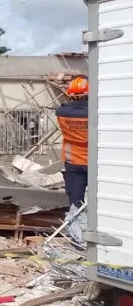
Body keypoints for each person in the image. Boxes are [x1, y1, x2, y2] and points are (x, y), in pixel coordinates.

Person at [56, 76, 89, 208]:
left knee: (75, 204)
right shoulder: (96, 112)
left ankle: (75, 227)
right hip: (95, 163)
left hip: (73, 163)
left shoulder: (61, 113)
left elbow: (63, 108)